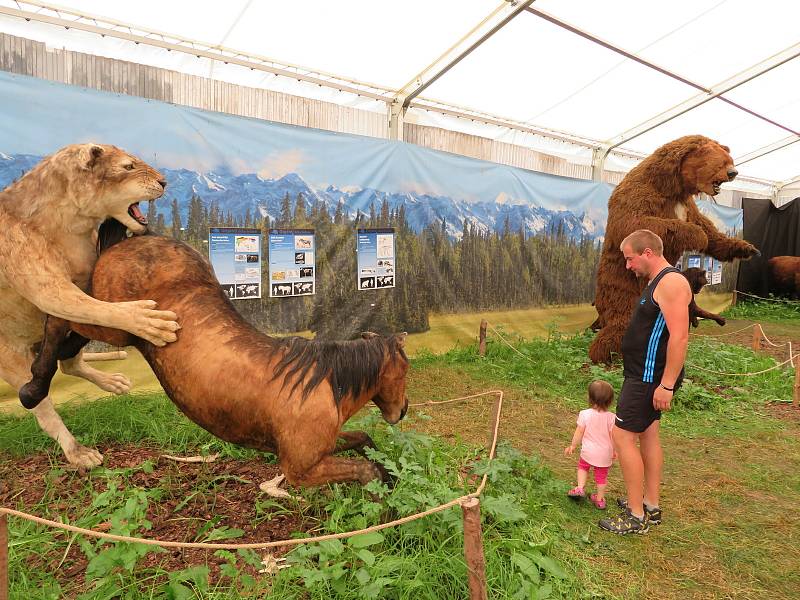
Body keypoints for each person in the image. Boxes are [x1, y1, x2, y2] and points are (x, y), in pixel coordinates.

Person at [599, 229, 691, 535]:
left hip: (648, 378)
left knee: (622, 436)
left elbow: (679, 336)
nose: (628, 266)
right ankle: (650, 505)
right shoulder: (658, 281)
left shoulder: (672, 283)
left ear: (647, 253)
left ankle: (636, 516)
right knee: (649, 435)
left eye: (630, 258)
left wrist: (666, 385)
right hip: (643, 375)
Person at [564, 380, 616, 509]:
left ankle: (580, 488)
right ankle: (599, 500)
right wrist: (615, 451)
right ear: (610, 401)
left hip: (588, 451)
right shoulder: (612, 418)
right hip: (605, 453)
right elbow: (613, 436)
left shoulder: (585, 414)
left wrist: (573, 445)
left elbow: (579, 431)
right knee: (601, 476)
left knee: (583, 467)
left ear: (590, 398)